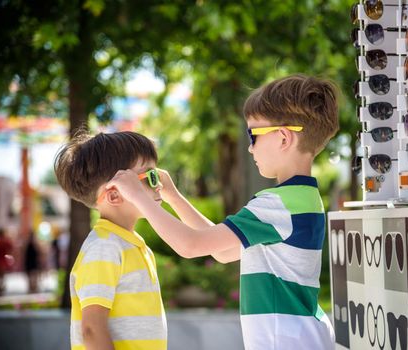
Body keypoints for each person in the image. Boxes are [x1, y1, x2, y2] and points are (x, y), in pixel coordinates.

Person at [107, 74, 340, 349]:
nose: (250, 147)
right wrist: (173, 196)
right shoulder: (301, 199)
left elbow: (191, 245)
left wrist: (136, 194)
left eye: (253, 134)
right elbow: (223, 251)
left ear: (284, 137)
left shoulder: (277, 204)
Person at [54, 131, 167, 350]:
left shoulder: (130, 244)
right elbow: (92, 328)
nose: (159, 184)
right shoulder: (104, 248)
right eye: (151, 176)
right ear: (114, 195)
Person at [0, 227, 14, 296]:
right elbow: (11, 248)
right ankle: (1, 287)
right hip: (2, 260)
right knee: (2, 276)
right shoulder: (5, 241)